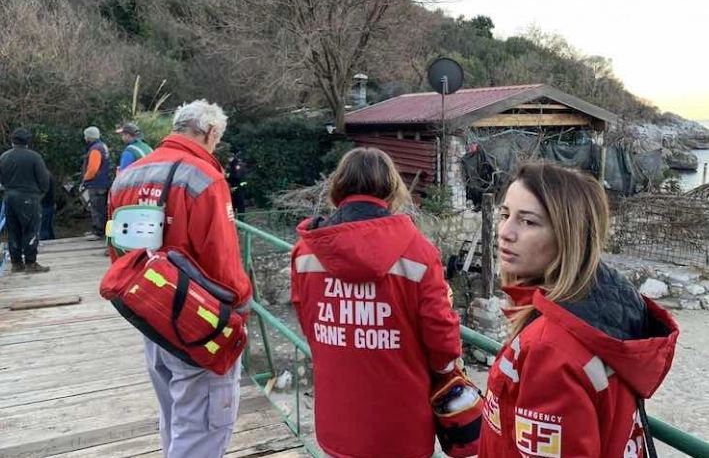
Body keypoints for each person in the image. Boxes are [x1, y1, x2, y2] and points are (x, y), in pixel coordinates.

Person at [478, 161, 679, 457]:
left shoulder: (550, 348)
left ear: (567, 236)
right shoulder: (608, 311)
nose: (505, 232)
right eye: (505, 215)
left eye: (528, 221)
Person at [290, 147, 463, 458]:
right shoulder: (420, 253)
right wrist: (446, 370)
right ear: (390, 188)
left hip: (337, 421)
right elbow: (442, 341)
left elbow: (308, 325)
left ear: (339, 185)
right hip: (402, 427)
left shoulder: (305, 253)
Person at [108, 99, 252, 458]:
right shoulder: (204, 178)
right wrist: (239, 313)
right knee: (203, 427)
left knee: (173, 417)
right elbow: (222, 259)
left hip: (149, 313)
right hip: (196, 322)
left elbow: (116, 249)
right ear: (210, 132)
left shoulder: (128, 176)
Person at [0, 128, 51, 273]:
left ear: (12, 141)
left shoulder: (3, 157)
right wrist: (41, 193)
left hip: (9, 197)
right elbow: (44, 179)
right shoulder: (34, 157)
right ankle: (30, 262)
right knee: (31, 230)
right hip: (29, 197)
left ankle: (16, 263)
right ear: (28, 141)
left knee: (13, 230)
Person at [82, 126, 112, 241]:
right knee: (103, 208)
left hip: (96, 184)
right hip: (104, 182)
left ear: (89, 137)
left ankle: (98, 231)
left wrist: (85, 179)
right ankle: (102, 230)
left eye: (86, 136)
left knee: (96, 208)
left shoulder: (95, 149)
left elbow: (93, 168)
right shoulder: (103, 146)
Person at [226, 153, 247, 218]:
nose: (228, 159)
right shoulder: (230, 165)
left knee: (240, 205)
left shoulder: (238, 165)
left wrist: (228, 176)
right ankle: (231, 221)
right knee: (230, 205)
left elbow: (237, 176)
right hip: (232, 188)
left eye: (229, 158)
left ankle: (241, 221)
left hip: (239, 188)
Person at [40, 173, 56, 240]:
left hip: (45, 204)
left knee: (44, 226)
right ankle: (51, 239)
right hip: (50, 203)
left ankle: (44, 239)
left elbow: (44, 191)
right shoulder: (49, 175)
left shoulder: (44, 176)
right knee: (48, 226)